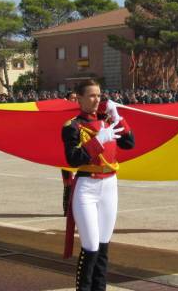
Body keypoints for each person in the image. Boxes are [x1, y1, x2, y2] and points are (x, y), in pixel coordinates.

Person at [62, 79, 135, 290]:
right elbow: (73, 159)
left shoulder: (107, 121)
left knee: (103, 246)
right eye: (92, 95)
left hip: (109, 186)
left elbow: (129, 143)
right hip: (87, 187)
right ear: (80, 98)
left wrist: (118, 117)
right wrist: (97, 142)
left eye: (99, 95)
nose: (97, 99)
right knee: (91, 246)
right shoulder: (73, 126)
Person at [61, 90, 78, 216]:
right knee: (68, 183)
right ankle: (67, 210)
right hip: (67, 154)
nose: (75, 100)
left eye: (77, 98)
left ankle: (75, 209)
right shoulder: (63, 114)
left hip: (80, 152)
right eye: (73, 98)